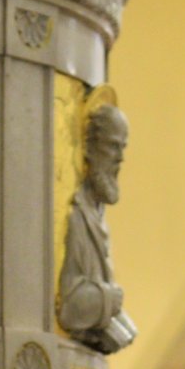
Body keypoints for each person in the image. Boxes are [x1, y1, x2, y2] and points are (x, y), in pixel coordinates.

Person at [57, 103, 137, 354]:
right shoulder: (76, 215)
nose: (120, 158)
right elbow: (69, 305)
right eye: (113, 146)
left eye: (122, 148)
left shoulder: (96, 213)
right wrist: (108, 299)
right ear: (89, 148)